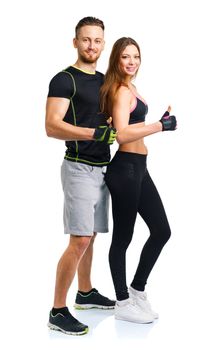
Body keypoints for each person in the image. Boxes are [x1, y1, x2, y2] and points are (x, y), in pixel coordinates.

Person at [45, 17, 117, 336]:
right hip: (77, 166)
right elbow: (51, 125)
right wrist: (92, 133)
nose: (92, 46)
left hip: (103, 167)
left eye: (97, 40)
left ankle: (85, 293)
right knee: (80, 239)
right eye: (86, 40)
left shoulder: (104, 80)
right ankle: (58, 311)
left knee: (92, 235)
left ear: (103, 44)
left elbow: (108, 121)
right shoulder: (64, 79)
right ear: (75, 42)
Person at [100, 37, 177, 324]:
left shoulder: (131, 87)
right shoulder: (120, 91)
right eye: (125, 57)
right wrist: (160, 126)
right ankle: (122, 302)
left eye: (135, 57)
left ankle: (137, 290)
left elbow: (131, 126)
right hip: (125, 170)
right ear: (116, 61)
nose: (131, 62)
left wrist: (158, 122)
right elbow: (121, 134)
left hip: (140, 168)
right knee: (123, 238)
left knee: (161, 230)